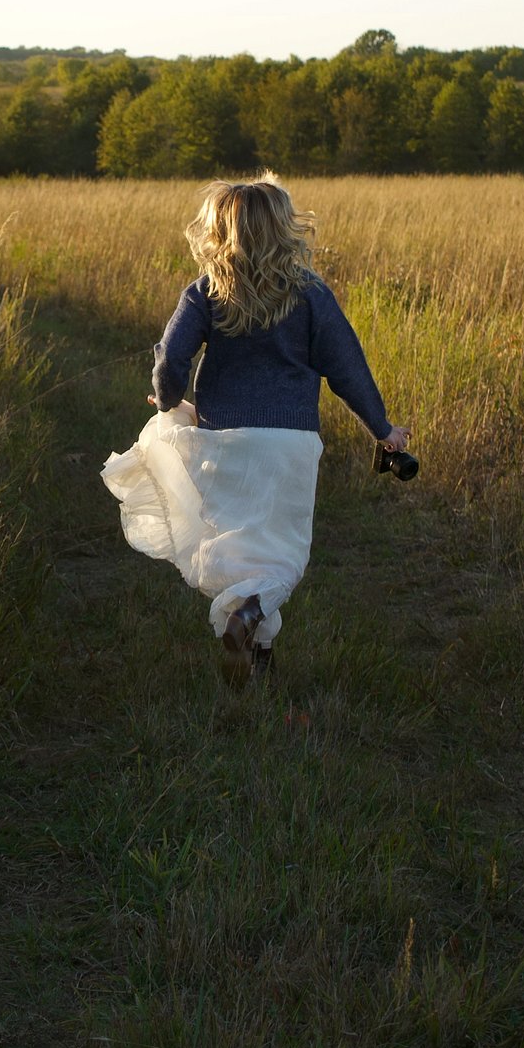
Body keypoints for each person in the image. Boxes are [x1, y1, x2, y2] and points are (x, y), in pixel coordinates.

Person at [100, 177, 408, 685]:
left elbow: (169, 358)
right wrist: (383, 429)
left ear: (219, 231)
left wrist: (171, 400)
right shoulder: (311, 294)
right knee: (283, 558)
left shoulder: (205, 292)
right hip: (290, 445)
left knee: (240, 552)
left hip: (223, 443)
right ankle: (246, 622)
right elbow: (346, 368)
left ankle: (257, 658)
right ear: (283, 229)